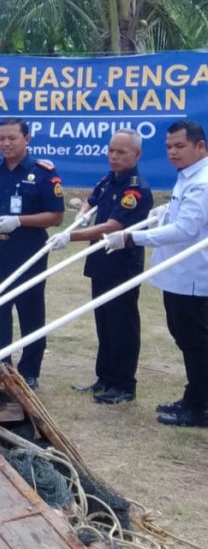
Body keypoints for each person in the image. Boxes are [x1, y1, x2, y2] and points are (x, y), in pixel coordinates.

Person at [104, 119, 208, 427]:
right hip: (177, 273)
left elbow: (186, 230)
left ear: (200, 147)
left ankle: (199, 406)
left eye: (180, 146)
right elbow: (185, 218)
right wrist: (163, 214)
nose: (173, 153)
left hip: (192, 276)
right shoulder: (188, 176)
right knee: (186, 338)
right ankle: (195, 396)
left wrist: (132, 237)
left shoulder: (202, 181)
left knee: (194, 341)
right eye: (168, 147)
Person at [47, 130, 153, 404]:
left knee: (122, 325)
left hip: (122, 266)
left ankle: (124, 384)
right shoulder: (109, 180)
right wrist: (82, 215)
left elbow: (113, 227)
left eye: (122, 152)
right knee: (104, 322)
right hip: (100, 262)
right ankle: (104, 377)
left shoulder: (136, 189)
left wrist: (71, 236)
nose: (114, 157)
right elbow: (90, 201)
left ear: (137, 155)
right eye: (111, 151)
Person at [0, 117, 65, 388]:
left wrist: (20, 220)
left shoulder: (43, 172)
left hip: (28, 250)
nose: (6, 143)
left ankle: (30, 371)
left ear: (27, 139)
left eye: (12, 138)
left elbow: (56, 216)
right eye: (1, 138)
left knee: (30, 310)